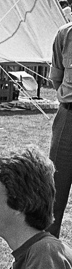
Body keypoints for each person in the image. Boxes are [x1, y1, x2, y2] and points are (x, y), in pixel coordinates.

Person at [48, 21, 72, 236]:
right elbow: (56, 78)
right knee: (55, 191)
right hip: (68, 116)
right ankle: (48, 250)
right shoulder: (65, 35)